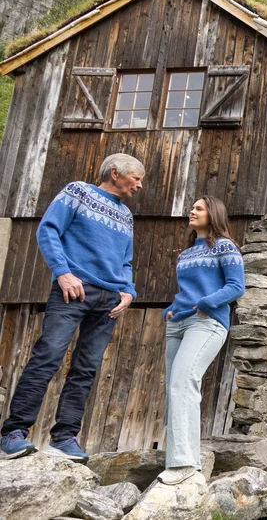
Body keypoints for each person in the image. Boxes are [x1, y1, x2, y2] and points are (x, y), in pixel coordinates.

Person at [0, 154, 144, 463]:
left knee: (86, 370)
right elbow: (48, 230)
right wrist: (63, 273)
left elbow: (126, 261)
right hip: (72, 292)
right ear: (116, 173)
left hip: (109, 302)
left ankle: (64, 437)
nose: (139, 185)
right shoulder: (78, 191)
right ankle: (13, 433)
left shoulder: (126, 216)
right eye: (136, 178)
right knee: (47, 358)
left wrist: (128, 292)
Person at [159, 196, 244, 485]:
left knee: (184, 382)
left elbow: (236, 286)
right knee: (174, 388)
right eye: (192, 208)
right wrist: (170, 309)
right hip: (177, 323)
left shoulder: (225, 246)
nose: (192, 212)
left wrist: (207, 303)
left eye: (199, 208)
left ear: (213, 213)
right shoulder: (185, 254)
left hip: (207, 323)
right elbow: (186, 289)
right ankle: (183, 459)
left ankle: (182, 466)